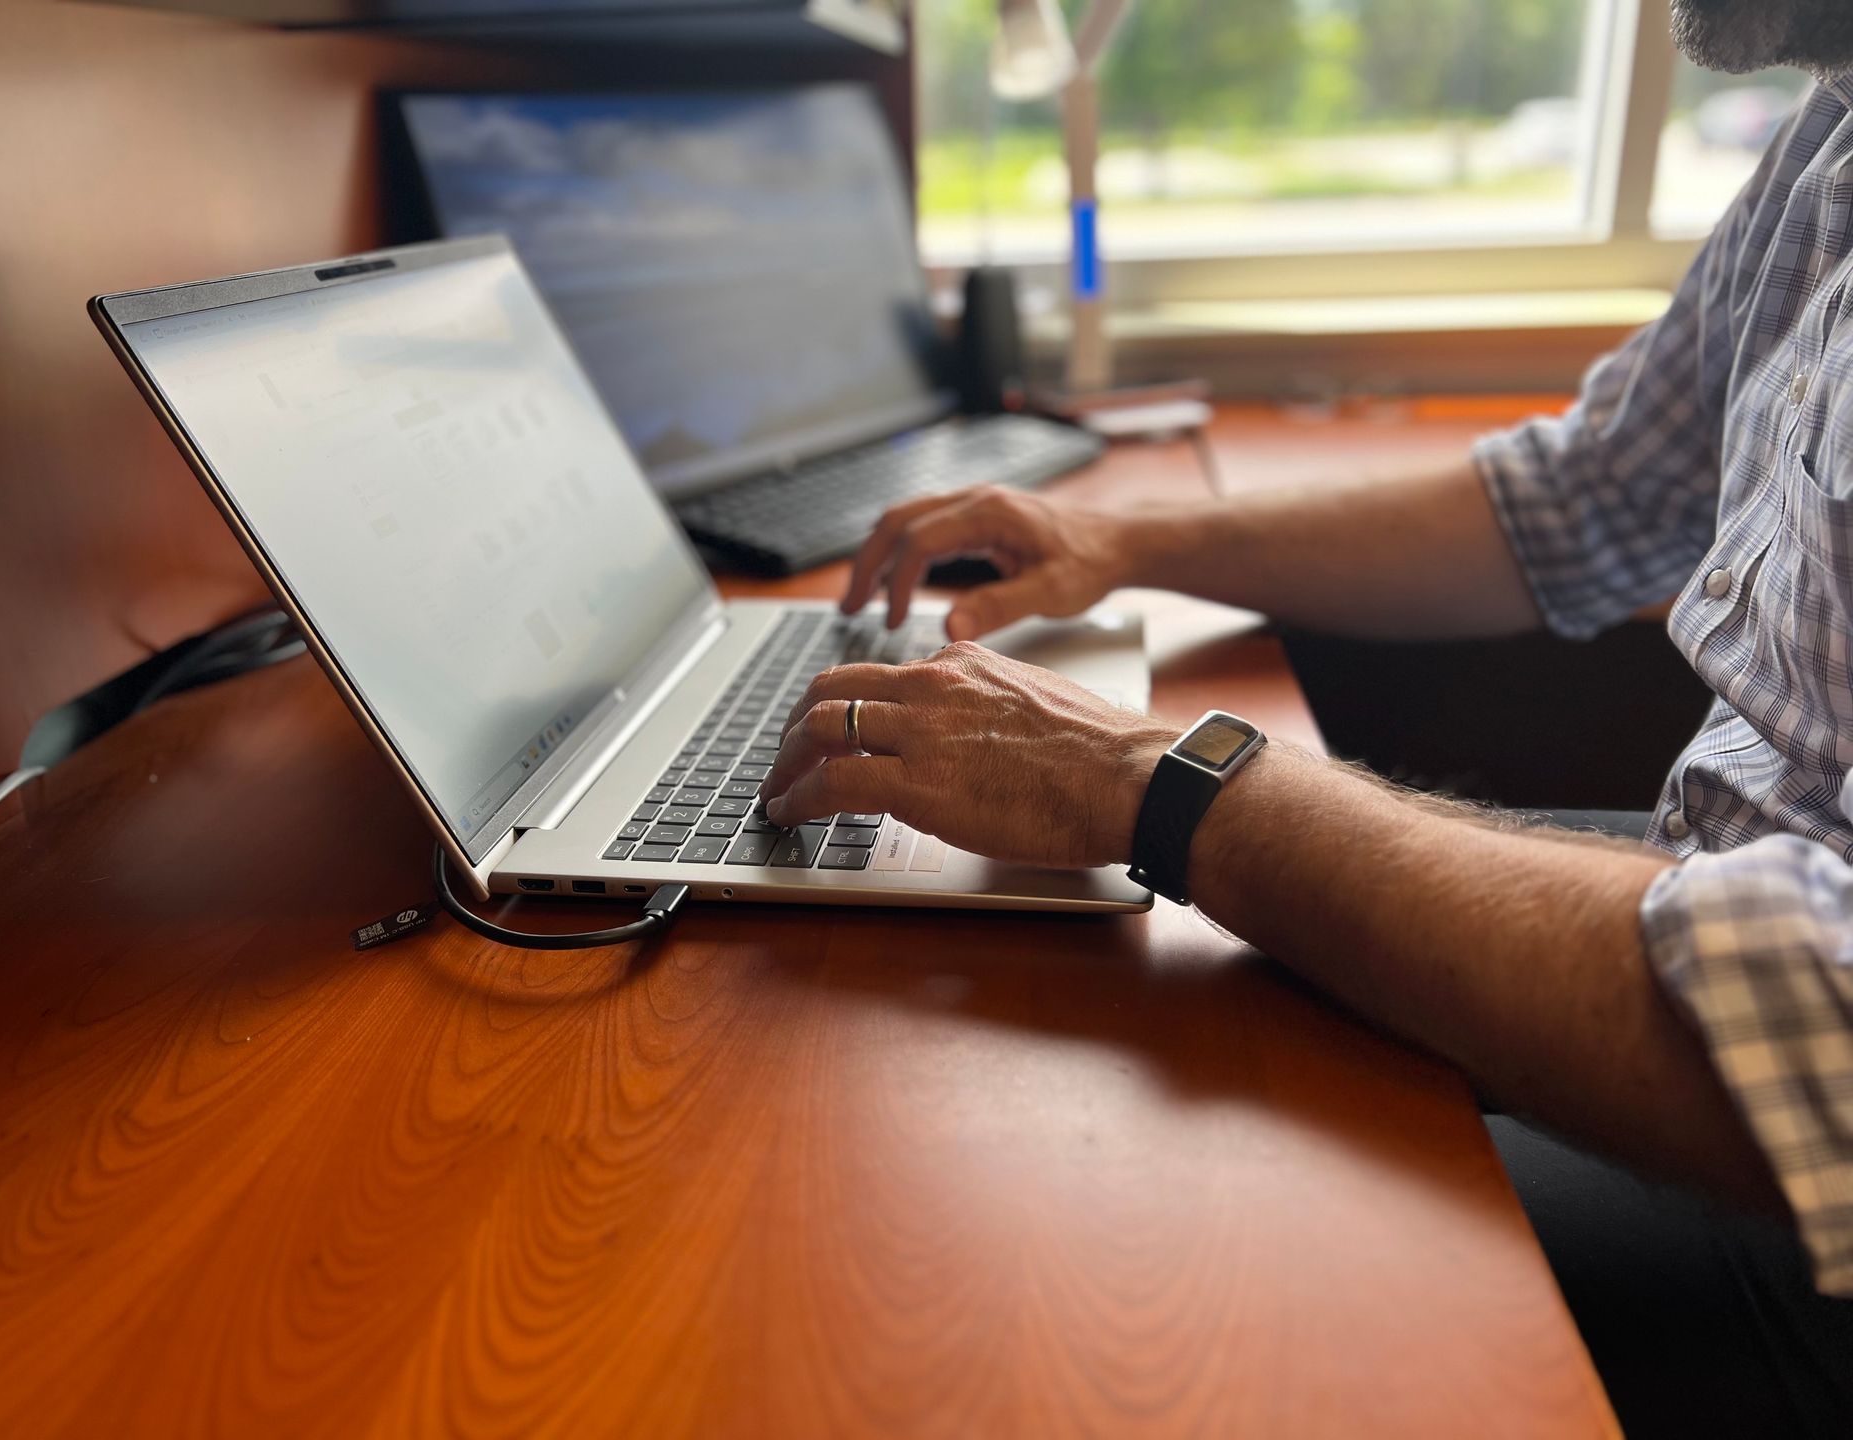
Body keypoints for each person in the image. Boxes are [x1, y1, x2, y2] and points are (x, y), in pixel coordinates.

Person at [755, 2, 1853, 1432]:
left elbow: (1819, 1010)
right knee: (1125, 1026)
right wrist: (1128, 545)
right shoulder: (1829, 120)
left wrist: (1170, 782)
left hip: (1805, 1216)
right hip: (1719, 904)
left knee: (1106, 1254)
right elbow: (1585, 498)